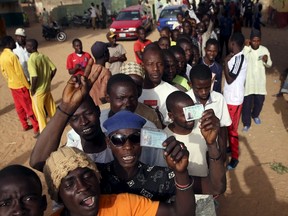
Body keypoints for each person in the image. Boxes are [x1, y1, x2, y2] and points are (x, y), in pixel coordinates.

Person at [99, 110, 225, 201]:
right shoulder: (97, 176)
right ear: (108, 142)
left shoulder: (158, 177)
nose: (128, 146)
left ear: (143, 140)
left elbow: (215, 187)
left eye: (135, 138)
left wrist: (212, 144)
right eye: (118, 139)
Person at [44, 145, 195, 216]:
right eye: (70, 183)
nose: (82, 186)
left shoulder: (124, 205)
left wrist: (180, 173)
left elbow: (180, 213)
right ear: (58, 195)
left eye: (87, 175)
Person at [165, 91, 225, 215]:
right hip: (176, 200)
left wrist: (212, 143)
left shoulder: (203, 128)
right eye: (184, 114)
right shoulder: (164, 138)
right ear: (171, 116)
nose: (190, 118)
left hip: (204, 197)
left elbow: (216, 160)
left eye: (191, 111)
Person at [186, 64, 232, 165]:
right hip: (192, 154)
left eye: (207, 87)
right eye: (199, 88)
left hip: (213, 151)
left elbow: (223, 128)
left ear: (211, 82)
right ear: (190, 84)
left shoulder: (219, 99)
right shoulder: (184, 101)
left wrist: (223, 152)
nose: (203, 92)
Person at [0, 36, 39, 136]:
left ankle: (24, 125)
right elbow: (20, 73)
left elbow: (3, 72)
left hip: (12, 85)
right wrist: (27, 85)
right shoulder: (12, 56)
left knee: (19, 107)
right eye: (13, 42)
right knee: (28, 107)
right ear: (8, 44)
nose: (15, 43)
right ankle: (36, 128)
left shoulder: (2, 56)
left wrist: (9, 80)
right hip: (20, 86)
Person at [223, 32, 247, 170]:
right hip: (231, 98)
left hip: (233, 100)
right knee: (229, 127)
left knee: (232, 129)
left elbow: (230, 78)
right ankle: (231, 148)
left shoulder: (239, 58)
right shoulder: (236, 57)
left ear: (232, 43)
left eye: (229, 42)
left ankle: (235, 158)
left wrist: (225, 62)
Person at [138, 45, 178, 126]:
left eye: (160, 64)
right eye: (150, 64)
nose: (155, 68)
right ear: (142, 65)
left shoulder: (173, 93)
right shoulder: (133, 93)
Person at [242, 29, 272, 131]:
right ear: (250, 40)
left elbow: (270, 64)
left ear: (260, 41)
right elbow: (243, 59)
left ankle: (255, 115)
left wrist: (266, 60)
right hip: (249, 83)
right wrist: (246, 47)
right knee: (247, 105)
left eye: (258, 40)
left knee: (259, 102)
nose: (256, 43)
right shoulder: (247, 49)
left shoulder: (264, 50)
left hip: (260, 83)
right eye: (254, 41)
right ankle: (246, 123)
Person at [26, 39, 57, 132]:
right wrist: (48, 80)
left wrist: (32, 89)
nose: (26, 47)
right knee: (52, 109)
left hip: (38, 91)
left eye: (27, 46)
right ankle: (57, 125)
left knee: (40, 114)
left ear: (32, 47)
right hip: (47, 89)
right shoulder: (43, 56)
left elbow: (34, 76)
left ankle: (44, 132)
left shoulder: (32, 59)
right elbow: (54, 69)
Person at [89, 41, 112, 105]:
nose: (109, 52)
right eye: (107, 50)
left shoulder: (90, 68)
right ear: (105, 54)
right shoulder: (105, 73)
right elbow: (102, 97)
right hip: (101, 108)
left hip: (92, 106)